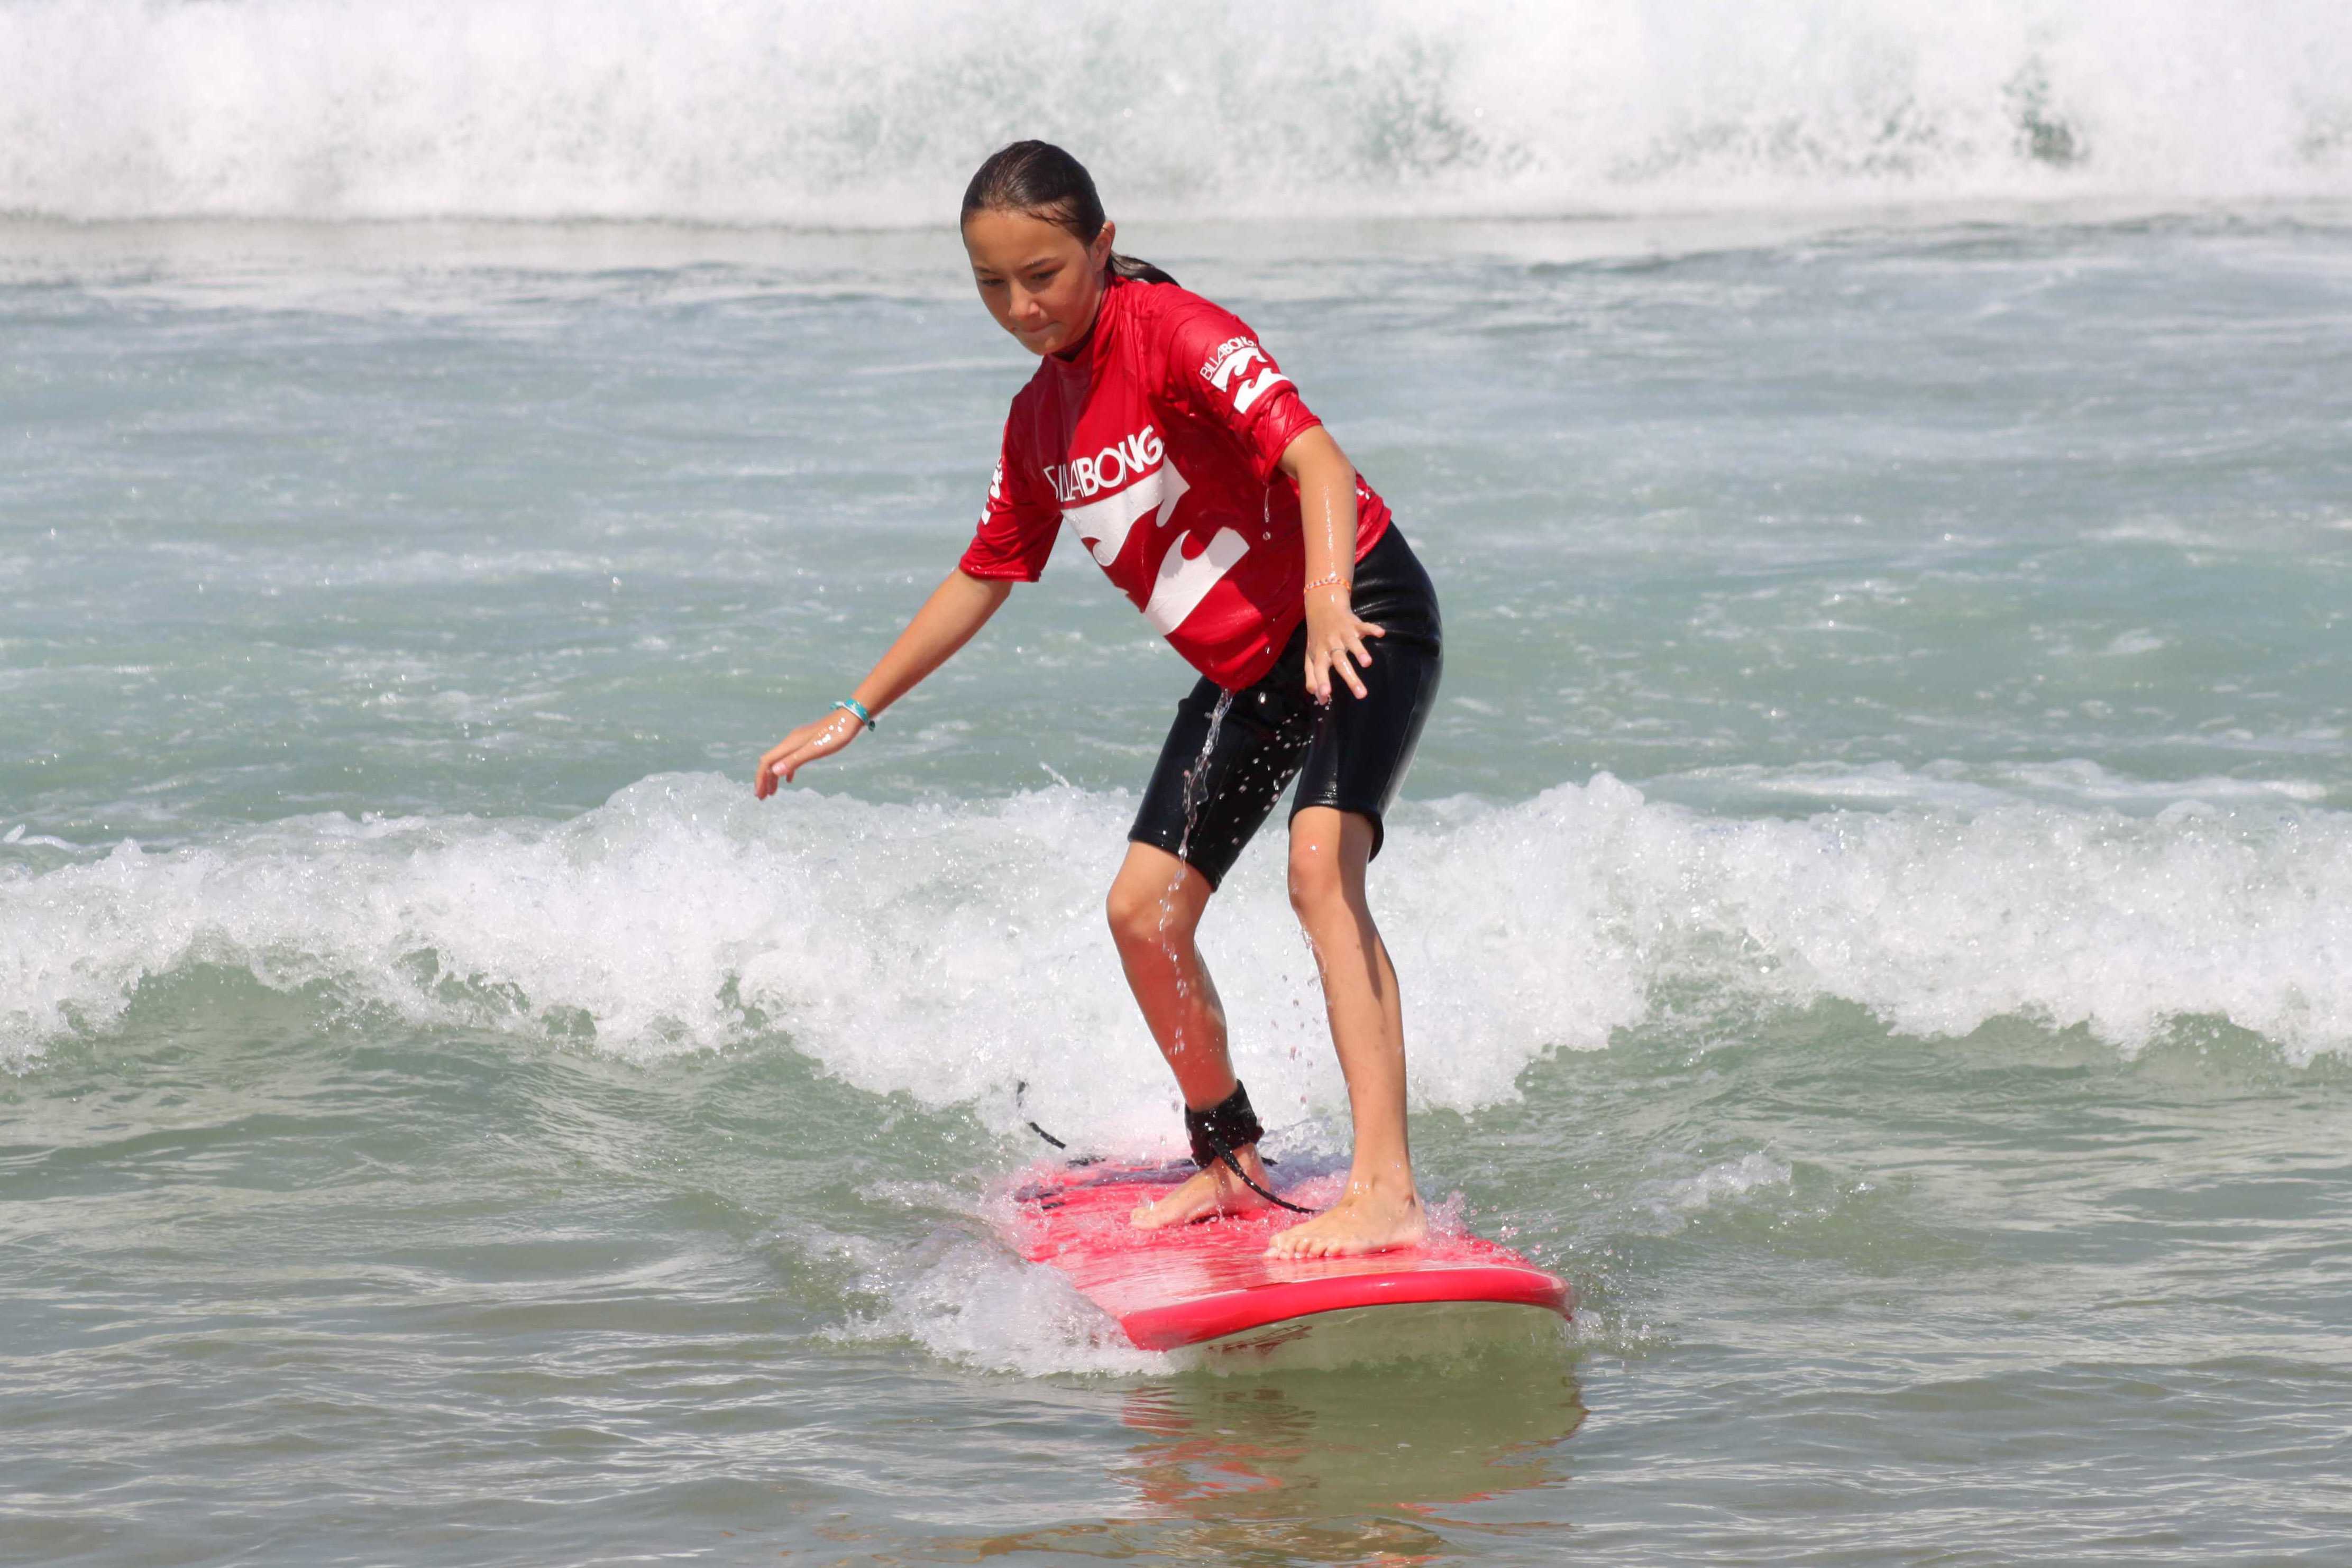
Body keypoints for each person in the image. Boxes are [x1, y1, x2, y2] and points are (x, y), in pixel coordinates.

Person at [754, 141, 1442, 1260]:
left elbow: (1316, 462)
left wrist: (1324, 602)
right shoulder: (1038, 422)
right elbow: (984, 572)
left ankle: (1386, 1186)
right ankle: (1228, 1156)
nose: (1021, 305)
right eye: (991, 284)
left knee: (1321, 866)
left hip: (1357, 605)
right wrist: (857, 705)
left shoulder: (1179, 336)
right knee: (1143, 912)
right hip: (1246, 668)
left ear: (1102, 248)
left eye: (1044, 274)